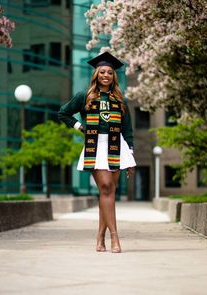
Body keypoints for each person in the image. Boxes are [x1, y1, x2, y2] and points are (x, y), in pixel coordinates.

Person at [58, 52, 136, 253]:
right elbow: (63, 113)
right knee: (107, 187)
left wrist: (131, 156)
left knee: (107, 193)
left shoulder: (119, 99)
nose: (106, 75)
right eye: (102, 72)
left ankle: (100, 237)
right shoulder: (84, 96)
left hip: (117, 146)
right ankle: (114, 238)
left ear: (113, 76)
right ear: (96, 74)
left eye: (110, 72)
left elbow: (127, 129)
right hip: (96, 146)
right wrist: (79, 126)